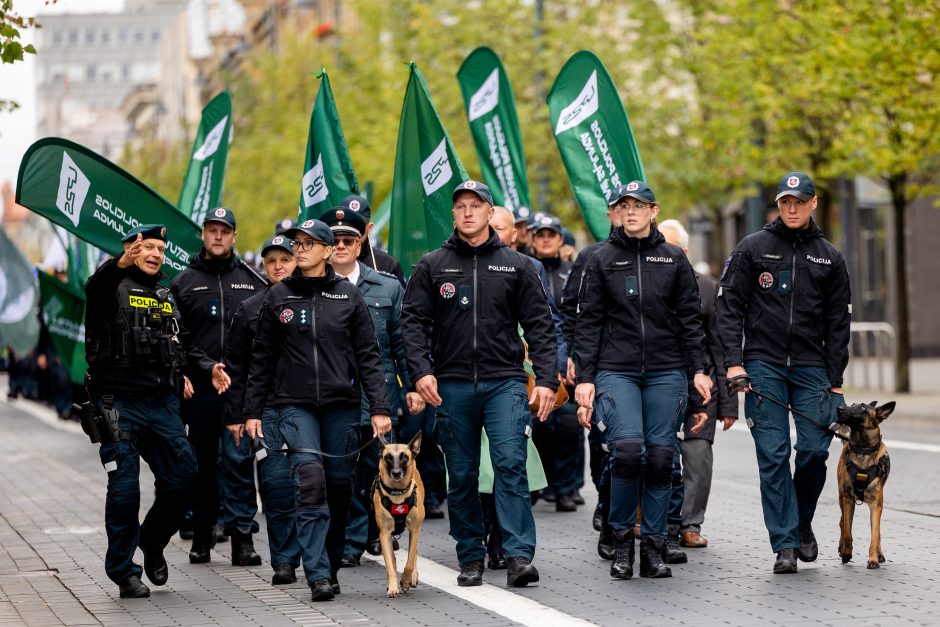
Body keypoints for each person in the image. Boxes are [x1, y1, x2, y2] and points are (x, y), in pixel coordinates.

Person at [401, 180, 558, 588]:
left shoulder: (517, 265)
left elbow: (541, 325)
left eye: (476, 205)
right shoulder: (432, 265)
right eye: (461, 206)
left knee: (510, 465)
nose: (468, 212)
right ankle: (470, 555)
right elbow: (413, 324)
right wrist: (420, 372)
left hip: (504, 382)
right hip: (451, 385)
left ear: (491, 213)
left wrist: (545, 379)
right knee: (463, 473)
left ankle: (518, 555)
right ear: (453, 214)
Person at [243, 218, 391, 602]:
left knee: (339, 488)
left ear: (328, 251)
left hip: (342, 406)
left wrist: (379, 407)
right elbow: (262, 359)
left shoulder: (348, 296)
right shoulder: (278, 298)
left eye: (310, 243)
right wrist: (253, 410)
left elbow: (368, 357)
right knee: (310, 482)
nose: (301, 249)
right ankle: (318, 574)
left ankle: (331, 560)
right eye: (298, 243)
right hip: (293, 406)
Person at [573, 181, 711, 580]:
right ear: (616, 212)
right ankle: (620, 541)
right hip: (616, 370)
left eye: (639, 205)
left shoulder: (673, 259)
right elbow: (589, 323)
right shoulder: (601, 259)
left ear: (654, 211)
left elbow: (691, 321)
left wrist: (698, 371)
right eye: (624, 205)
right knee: (629, 452)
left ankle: (652, 547)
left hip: (667, 371)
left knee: (663, 458)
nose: (631, 211)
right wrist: (585, 378)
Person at [84, 224, 230, 598]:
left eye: (160, 250)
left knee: (184, 475)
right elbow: (95, 287)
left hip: (162, 403)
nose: (154, 255)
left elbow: (182, 345)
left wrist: (205, 367)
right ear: (130, 249)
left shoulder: (166, 294)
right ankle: (124, 571)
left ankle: (150, 541)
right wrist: (118, 264)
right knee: (125, 491)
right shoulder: (109, 287)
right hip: (118, 404)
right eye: (147, 247)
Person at [716, 171, 851, 574]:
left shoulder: (830, 256)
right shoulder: (752, 248)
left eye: (799, 201)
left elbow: (839, 323)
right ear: (778, 205)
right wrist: (734, 362)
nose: (791, 208)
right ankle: (785, 544)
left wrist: (836, 379)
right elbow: (728, 308)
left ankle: (801, 521)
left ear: (813, 203)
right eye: (785, 201)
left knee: (813, 450)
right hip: (763, 366)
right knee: (772, 455)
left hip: (813, 369)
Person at [314, 206, 424, 567]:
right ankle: (349, 539)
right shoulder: (312, 286)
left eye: (350, 239)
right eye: (336, 239)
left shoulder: (387, 287)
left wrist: (412, 385)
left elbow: (401, 341)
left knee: (370, 471)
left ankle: (363, 537)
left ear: (362, 243)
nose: (342, 245)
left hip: (377, 398)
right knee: (340, 474)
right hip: (331, 396)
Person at [170, 207, 267, 566]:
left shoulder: (252, 281)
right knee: (202, 466)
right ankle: (203, 534)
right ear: (203, 234)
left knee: (239, 463)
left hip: (239, 392)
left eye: (224, 231)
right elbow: (176, 339)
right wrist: (203, 367)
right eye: (212, 230)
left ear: (234, 236)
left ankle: (242, 538)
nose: (217, 236)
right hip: (200, 392)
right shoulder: (183, 283)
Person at [223, 235, 301, 586]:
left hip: (313, 406)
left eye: (285, 258)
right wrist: (236, 415)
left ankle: (318, 556)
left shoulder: (318, 299)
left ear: (298, 260)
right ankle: (284, 561)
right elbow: (235, 368)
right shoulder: (250, 309)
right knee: (276, 484)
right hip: (267, 409)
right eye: (271, 261)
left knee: (316, 484)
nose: (278, 266)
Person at [658, 219, 738, 554]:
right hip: (659, 383)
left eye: (674, 247)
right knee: (658, 455)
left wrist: (729, 403)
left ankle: (690, 525)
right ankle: (660, 523)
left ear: (686, 252)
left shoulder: (707, 288)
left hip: (701, 388)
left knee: (697, 456)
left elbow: (720, 347)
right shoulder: (649, 284)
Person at [529, 214, 581, 512]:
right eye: (540, 235)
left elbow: (576, 319)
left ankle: (565, 488)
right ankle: (540, 485)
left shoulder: (572, 273)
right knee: (539, 428)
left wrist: (573, 357)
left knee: (569, 428)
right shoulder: (527, 268)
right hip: (534, 363)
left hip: (569, 361)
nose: (546, 239)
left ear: (561, 240)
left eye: (552, 234)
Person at [338, 195, 406, 287]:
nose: (353, 230)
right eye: (348, 224)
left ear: (369, 228)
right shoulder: (325, 261)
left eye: (359, 224)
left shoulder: (388, 264)